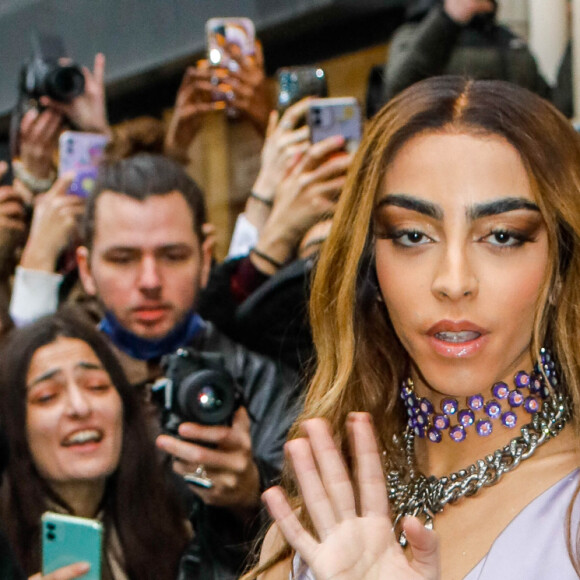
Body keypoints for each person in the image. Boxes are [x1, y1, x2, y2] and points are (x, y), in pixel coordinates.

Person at [246, 75, 580, 579]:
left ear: (562, 266)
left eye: (503, 237)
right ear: (369, 266)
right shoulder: (312, 526)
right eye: (413, 235)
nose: (453, 282)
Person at [69, 153, 300, 580]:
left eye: (172, 255)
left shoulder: (268, 381)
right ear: (86, 269)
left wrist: (251, 494)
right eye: (123, 258)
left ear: (205, 257)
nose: (150, 280)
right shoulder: (57, 392)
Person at [0, 311, 191, 579]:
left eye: (96, 386)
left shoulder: (176, 524)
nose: (79, 407)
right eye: (47, 397)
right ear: (14, 427)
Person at [381, 0, 555, 107]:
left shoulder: (510, 42)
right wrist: (448, 19)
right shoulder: (414, 34)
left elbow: (551, 106)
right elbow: (398, 88)